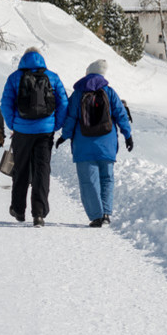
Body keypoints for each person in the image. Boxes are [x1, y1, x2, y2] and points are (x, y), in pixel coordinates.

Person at [56, 59, 133, 228]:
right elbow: (121, 114)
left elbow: (70, 118)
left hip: (83, 145)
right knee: (107, 179)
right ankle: (106, 213)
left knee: (88, 181)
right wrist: (128, 135)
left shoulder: (78, 94)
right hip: (107, 143)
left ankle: (96, 216)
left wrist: (64, 136)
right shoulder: (110, 92)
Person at [1, 47, 69, 227]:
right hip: (44, 132)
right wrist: (55, 125)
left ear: (23, 59)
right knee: (42, 170)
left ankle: (18, 210)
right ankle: (39, 213)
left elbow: (5, 104)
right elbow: (63, 103)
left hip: (22, 132)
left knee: (21, 170)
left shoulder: (14, 77)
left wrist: (13, 124)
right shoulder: (52, 77)